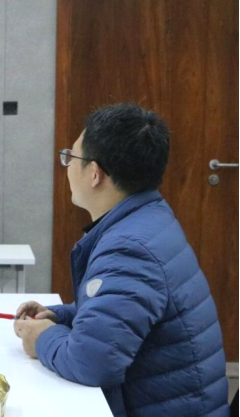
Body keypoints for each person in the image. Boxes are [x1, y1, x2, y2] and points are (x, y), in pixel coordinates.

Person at [13, 104, 228, 416]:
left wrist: (43, 338)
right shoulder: (149, 218)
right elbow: (129, 313)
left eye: (71, 157)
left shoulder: (129, 249)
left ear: (95, 173)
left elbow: (91, 363)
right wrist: (62, 316)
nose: (67, 166)